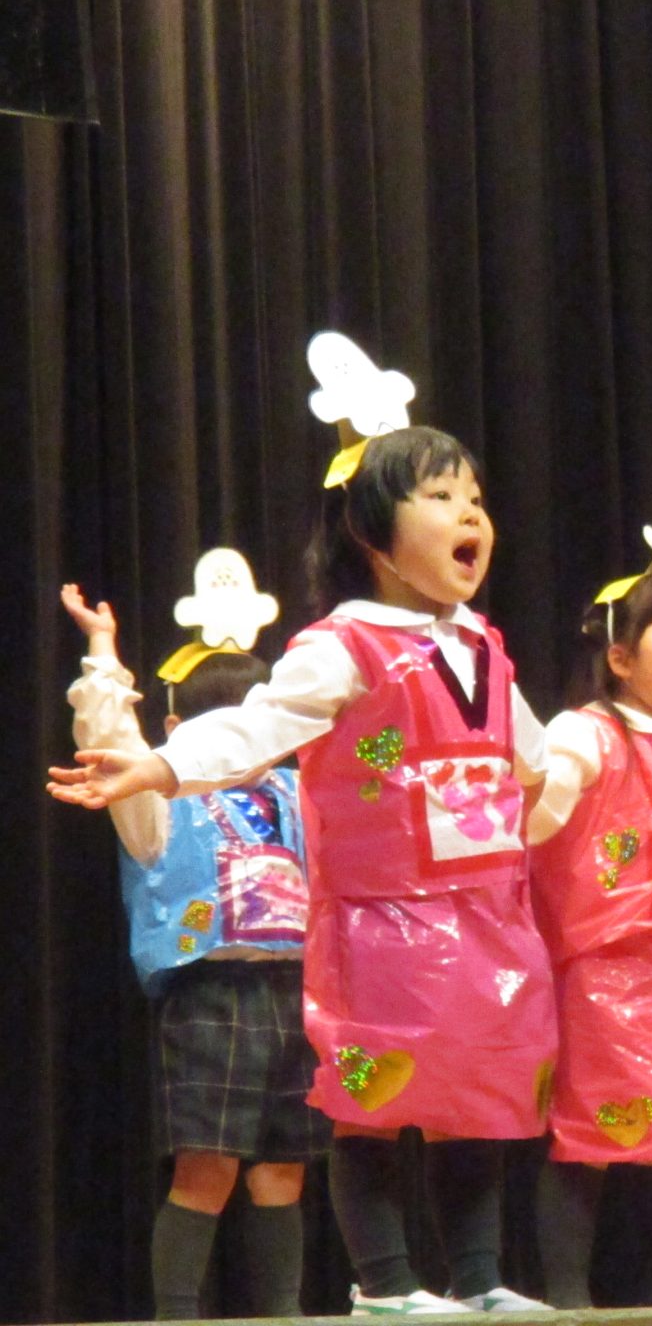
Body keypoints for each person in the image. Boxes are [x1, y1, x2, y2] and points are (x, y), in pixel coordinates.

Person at [51, 336, 555, 1315]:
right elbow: (258, 726)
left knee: (477, 1096)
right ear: (373, 533)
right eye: (441, 496)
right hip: (383, 918)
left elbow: (531, 759)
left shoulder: (485, 649)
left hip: (483, 920)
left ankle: (482, 1278)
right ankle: (387, 1284)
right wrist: (157, 765)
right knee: (373, 1102)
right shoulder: (343, 646)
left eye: (476, 498)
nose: (470, 514)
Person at [62, 561, 325, 1320]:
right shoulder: (157, 799)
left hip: (299, 990)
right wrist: (103, 653)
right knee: (206, 1169)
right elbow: (110, 733)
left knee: (284, 1167)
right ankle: (176, 1316)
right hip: (212, 992)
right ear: (179, 731)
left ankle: (281, 1313)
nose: (249, 743)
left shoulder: (297, 790)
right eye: (227, 723)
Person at [527, 525, 652, 1306]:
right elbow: (530, 819)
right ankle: (568, 1305)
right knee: (592, 1136)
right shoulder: (584, 732)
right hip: (604, 974)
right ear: (620, 658)